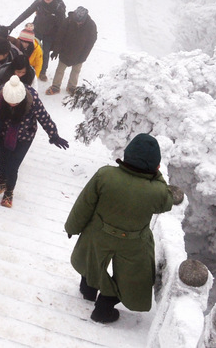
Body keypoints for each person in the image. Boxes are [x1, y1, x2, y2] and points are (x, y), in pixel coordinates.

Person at [64, 133, 180, 324]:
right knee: (132, 277)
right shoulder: (157, 191)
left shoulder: (105, 175)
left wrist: (72, 226)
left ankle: (88, 290)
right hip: (133, 242)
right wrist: (157, 176)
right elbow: (167, 202)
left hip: (98, 233)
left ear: (127, 155)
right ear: (155, 166)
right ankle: (104, 308)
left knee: (92, 260)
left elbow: (84, 204)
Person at [0, 77, 69, 208]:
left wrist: (53, 135)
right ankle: (2, 181)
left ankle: (9, 192)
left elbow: (43, 116)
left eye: (15, 103)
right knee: (3, 160)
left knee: (13, 166)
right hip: (3, 133)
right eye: (9, 102)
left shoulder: (32, 99)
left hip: (24, 136)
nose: (12, 105)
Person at [8, 0, 66, 82]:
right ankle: (26, 67)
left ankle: (42, 72)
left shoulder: (59, 8)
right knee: (30, 48)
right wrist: (11, 26)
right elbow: (25, 14)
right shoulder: (39, 3)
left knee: (45, 52)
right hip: (37, 29)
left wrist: (57, 46)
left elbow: (61, 27)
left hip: (50, 33)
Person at [49, 6, 97, 95]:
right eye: (77, 21)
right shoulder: (68, 21)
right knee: (60, 70)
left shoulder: (91, 25)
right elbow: (60, 36)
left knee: (76, 71)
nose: (78, 23)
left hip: (80, 53)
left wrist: (84, 56)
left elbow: (91, 42)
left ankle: (71, 87)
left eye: (80, 22)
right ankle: (55, 86)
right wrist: (56, 50)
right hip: (65, 51)